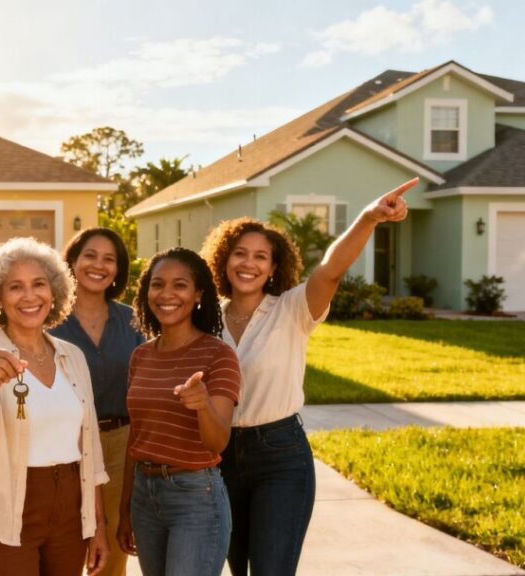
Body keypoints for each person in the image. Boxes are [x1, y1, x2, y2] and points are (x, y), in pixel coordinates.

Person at [200, 177, 417, 576]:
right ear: (223, 260)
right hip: (219, 456)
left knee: (272, 569)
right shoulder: (207, 319)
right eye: (240, 254)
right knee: (234, 566)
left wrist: (369, 218)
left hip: (280, 457)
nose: (249, 264)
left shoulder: (293, 309)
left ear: (273, 267)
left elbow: (331, 270)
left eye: (260, 257)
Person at [0, 237, 110, 576]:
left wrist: (96, 524)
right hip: (3, 511)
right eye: (15, 287)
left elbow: (90, 447)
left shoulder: (73, 356)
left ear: (54, 292)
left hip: (70, 512)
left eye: (39, 284)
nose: (29, 296)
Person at [116, 247, 241, 576]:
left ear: (198, 293)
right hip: (145, 495)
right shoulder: (141, 356)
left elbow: (218, 442)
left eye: (180, 285)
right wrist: (125, 509)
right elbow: (137, 435)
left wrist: (203, 405)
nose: (166, 294)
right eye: (157, 284)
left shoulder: (218, 355)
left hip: (195, 498)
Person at [50, 227, 144, 576]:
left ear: (118, 270)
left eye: (110, 259)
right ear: (72, 261)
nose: (98, 265)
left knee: (111, 558)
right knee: (64, 547)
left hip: (120, 445)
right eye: (90, 255)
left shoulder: (132, 319)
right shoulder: (48, 319)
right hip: (64, 447)